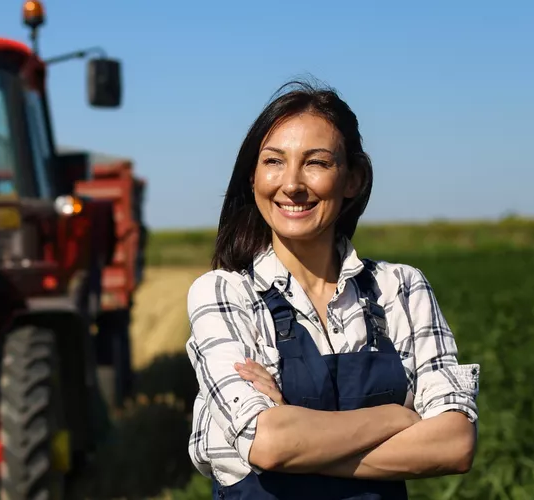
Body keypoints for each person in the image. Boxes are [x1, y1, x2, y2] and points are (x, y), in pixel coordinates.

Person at [185, 80, 480, 499]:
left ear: (353, 179)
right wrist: (395, 418)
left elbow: (454, 444)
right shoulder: (224, 294)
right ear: (252, 177)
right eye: (273, 161)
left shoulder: (401, 288)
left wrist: (295, 437)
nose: (292, 184)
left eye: (316, 163)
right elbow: (268, 443)